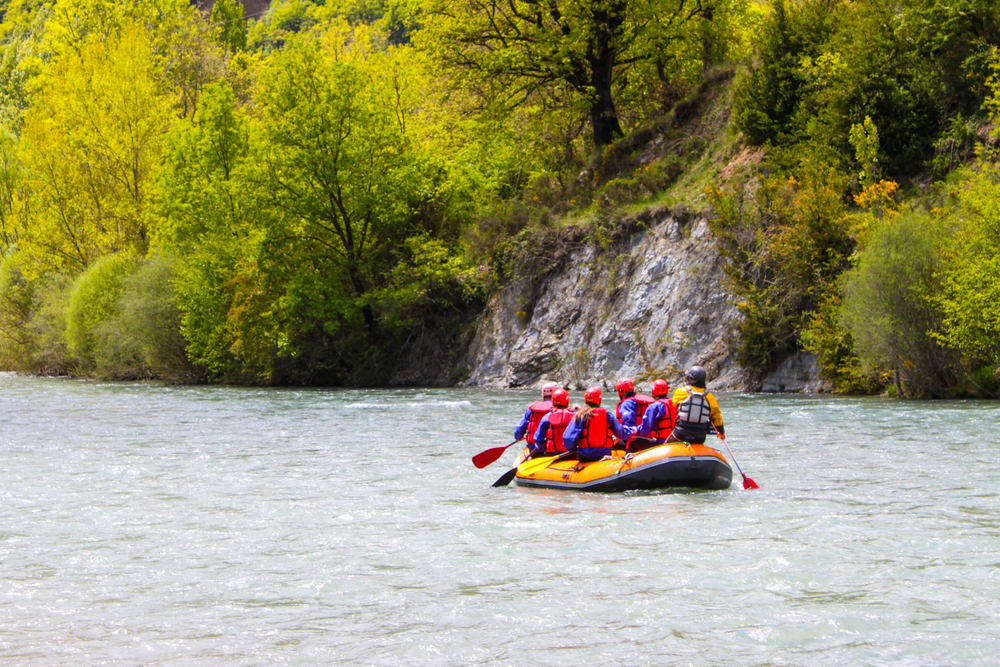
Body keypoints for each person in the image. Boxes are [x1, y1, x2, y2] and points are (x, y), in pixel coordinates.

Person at [563, 387, 627, 462]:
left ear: (585, 399)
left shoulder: (580, 415)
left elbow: (567, 438)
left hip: (584, 456)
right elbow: (621, 433)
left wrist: (573, 449)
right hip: (605, 455)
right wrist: (634, 430)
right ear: (599, 400)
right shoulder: (607, 415)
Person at [667, 366, 724, 445]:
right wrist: (721, 431)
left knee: (666, 445)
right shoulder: (710, 397)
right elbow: (716, 416)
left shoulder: (680, 391)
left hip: (681, 433)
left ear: (689, 378)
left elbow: (674, 404)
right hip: (700, 436)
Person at [513, 382, 559, 450]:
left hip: (535, 449)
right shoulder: (560, 408)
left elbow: (519, 429)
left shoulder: (531, 409)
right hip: (556, 448)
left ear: (543, 394)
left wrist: (519, 437)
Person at [635, 379, 678, 450]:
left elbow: (645, 430)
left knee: (631, 442)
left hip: (661, 442)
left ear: (653, 391)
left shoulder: (654, 406)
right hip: (675, 441)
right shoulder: (675, 404)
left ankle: (627, 460)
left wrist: (633, 430)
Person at [531, 388, 575, 458]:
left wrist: (539, 445)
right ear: (567, 400)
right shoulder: (575, 416)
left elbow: (538, 438)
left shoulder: (546, 417)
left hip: (551, 454)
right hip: (571, 454)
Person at [614, 377, 653, 448]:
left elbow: (629, 426)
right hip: (647, 439)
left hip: (633, 441)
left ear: (621, 391)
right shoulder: (642, 402)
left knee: (609, 442)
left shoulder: (626, 403)